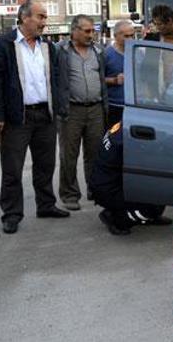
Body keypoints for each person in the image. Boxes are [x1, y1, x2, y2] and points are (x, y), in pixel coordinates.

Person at [0, 1, 70, 235]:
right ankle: (12, 214)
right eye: (40, 17)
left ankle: (46, 205)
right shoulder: (3, 45)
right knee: (12, 168)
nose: (45, 22)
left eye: (45, 17)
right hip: (17, 118)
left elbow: (56, 80)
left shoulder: (48, 48)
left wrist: (60, 109)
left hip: (45, 114)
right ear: (24, 18)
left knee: (45, 165)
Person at [56, 15, 108, 211]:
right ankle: (70, 195)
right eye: (86, 31)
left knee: (95, 153)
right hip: (71, 110)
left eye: (92, 31)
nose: (91, 34)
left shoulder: (99, 51)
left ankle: (94, 190)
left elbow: (103, 77)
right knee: (69, 155)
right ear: (74, 31)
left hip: (96, 109)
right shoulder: (60, 51)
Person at [89, 122, 171, 236]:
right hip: (108, 190)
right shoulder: (129, 138)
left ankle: (150, 215)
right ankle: (115, 218)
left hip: (106, 182)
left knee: (155, 189)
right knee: (149, 205)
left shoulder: (125, 124)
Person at [104, 20, 133, 125]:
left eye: (132, 35)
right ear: (115, 36)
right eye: (126, 36)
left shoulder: (137, 52)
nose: (130, 39)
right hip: (114, 106)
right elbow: (97, 79)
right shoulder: (106, 54)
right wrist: (114, 80)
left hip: (134, 106)